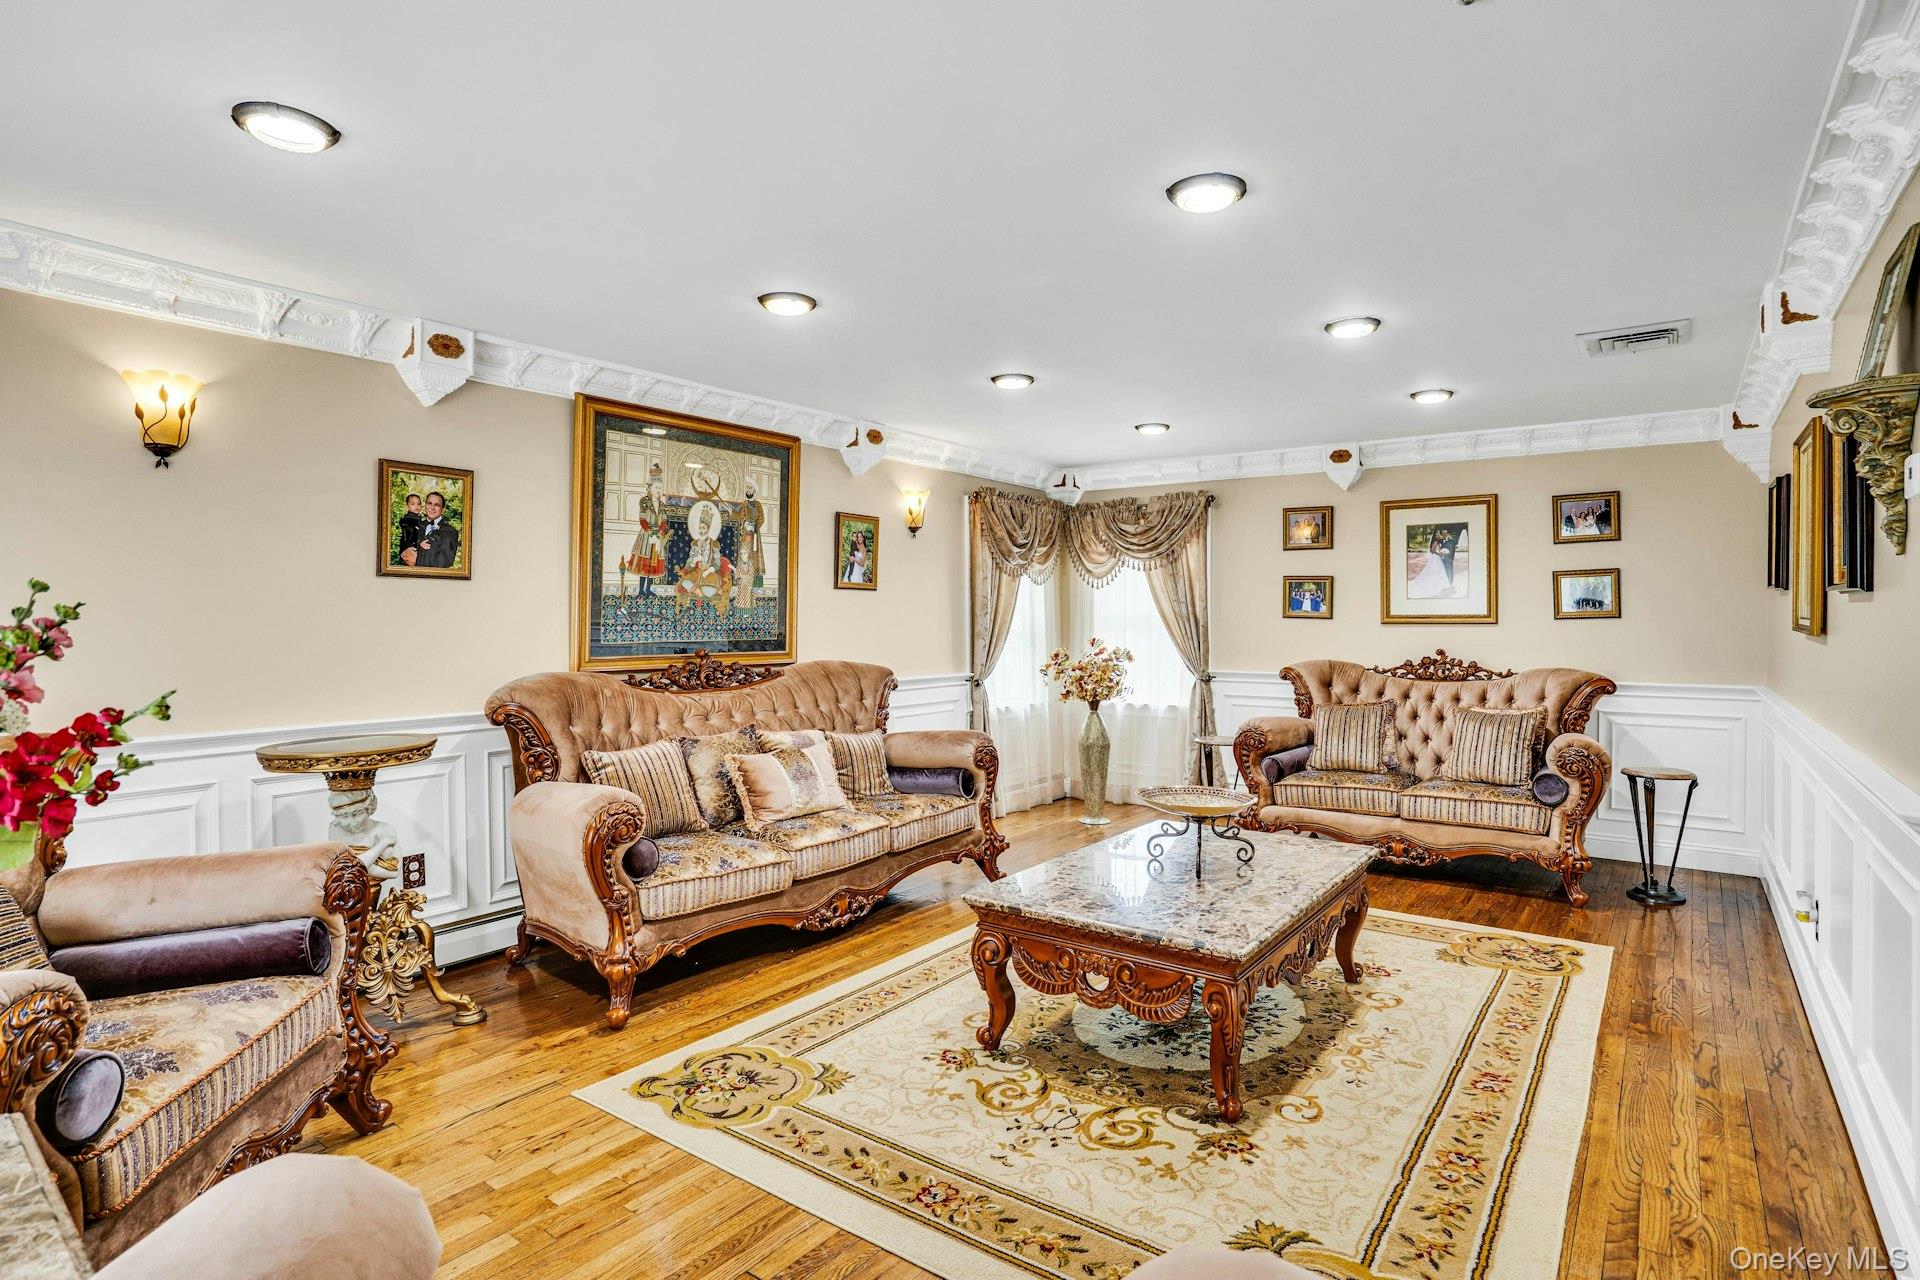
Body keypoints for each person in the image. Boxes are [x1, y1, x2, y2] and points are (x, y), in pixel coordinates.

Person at [405, 491, 461, 569]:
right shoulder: (416, 525)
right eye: (429, 503)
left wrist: (416, 561)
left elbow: (445, 562)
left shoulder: (450, 532)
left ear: (443, 510)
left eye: (437, 505)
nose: (432, 507)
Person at [1406, 528, 1458, 599]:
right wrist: (1440, 554)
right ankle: (1438, 584)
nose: (1440, 535)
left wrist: (1446, 556)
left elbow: (1450, 551)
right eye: (1438, 534)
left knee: (1440, 571)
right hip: (1437, 558)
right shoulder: (1436, 541)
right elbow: (1433, 550)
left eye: (1439, 534)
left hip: (1441, 559)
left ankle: (1447, 584)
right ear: (1435, 536)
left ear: (1447, 534)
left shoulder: (1442, 541)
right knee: (1436, 571)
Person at [394, 493, 425, 566]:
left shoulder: (419, 518)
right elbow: (410, 534)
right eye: (413, 504)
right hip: (409, 547)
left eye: (418, 504)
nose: (416, 506)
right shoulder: (408, 519)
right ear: (407, 506)